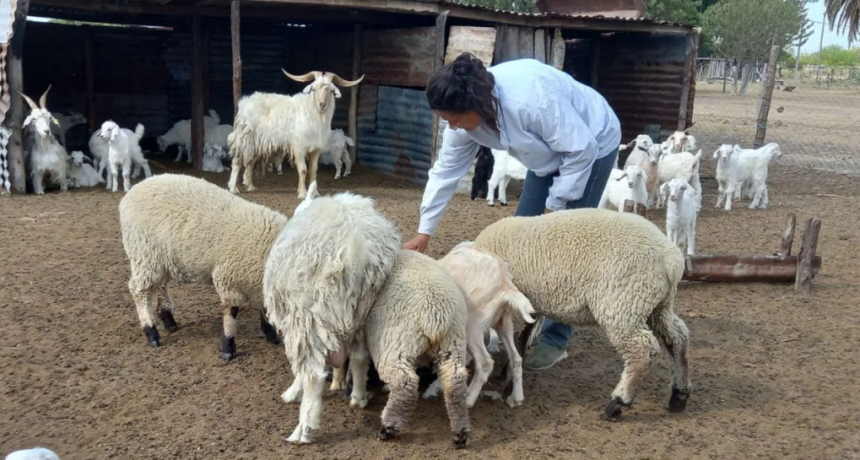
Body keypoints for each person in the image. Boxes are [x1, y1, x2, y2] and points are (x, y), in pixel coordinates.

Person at [403, 52, 622, 371]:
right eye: (446, 119)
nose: (452, 126)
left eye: (454, 118)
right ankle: (518, 320)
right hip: (544, 155)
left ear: (476, 104)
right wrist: (425, 231)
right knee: (520, 244)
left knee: (565, 248)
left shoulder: (531, 101)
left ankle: (555, 337)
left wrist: (554, 208)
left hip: (591, 144)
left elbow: (580, 148)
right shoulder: (463, 123)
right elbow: (445, 172)